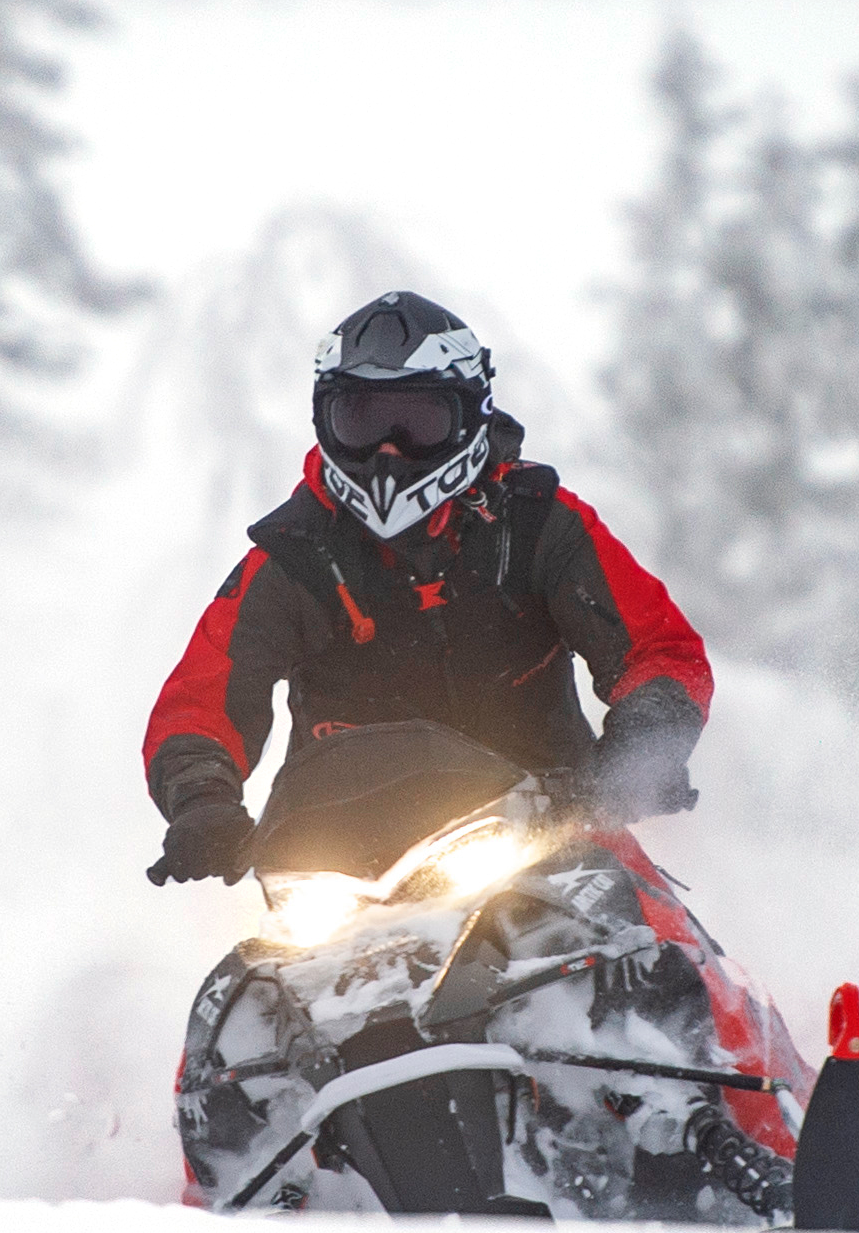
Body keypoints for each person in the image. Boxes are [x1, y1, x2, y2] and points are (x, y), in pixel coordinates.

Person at [141, 292, 710, 886]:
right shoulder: (294, 556)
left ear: (469, 415)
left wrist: (639, 753)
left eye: (416, 424)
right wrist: (203, 803)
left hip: (558, 843)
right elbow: (199, 701)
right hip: (341, 872)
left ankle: (717, 977)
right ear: (324, 419)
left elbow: (662, 651)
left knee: (654, 949)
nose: (388, 453)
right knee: (251, 980)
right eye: (361, 422)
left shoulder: (540, 525)